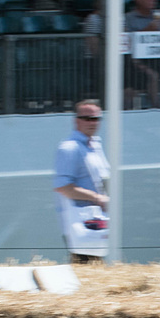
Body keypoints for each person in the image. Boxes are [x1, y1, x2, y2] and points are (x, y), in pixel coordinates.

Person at [53, 100, 111, 264]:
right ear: (76, 120)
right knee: (87, 270)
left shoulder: (94, 146)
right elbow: (63, 187)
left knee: (93, 269)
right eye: (87, 118)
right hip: (81, 222)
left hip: (96, 220)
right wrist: (97, 198)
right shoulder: (69, 148)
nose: (92, 122)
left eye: (96, 118)